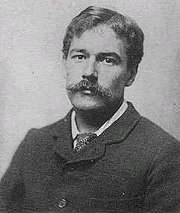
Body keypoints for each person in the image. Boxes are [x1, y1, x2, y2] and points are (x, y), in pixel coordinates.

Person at [0, 5, 180, 213]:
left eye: (107, 60)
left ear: (131, 73)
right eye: (79, 56)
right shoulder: (34, 143)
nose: (89, 72)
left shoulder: (163, 154)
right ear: (64, 63)